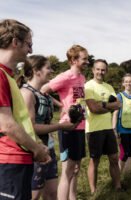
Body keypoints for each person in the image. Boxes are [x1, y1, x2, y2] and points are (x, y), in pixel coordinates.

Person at [0, 19, 50, 200]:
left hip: (18, 157)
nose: (30, 50)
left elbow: (20, 120)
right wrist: (36, 149)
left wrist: (35, 144)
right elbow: (6, 125)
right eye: (29, 44)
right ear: (15, 42)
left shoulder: (8, 75)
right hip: (9, 159)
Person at [19, 55, 78, 200]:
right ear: (36, 71)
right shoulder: (27, 94)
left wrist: (64, 108)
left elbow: (46, 112)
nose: (52, 71)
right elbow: (31, 127)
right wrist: (59, 126)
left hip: (48, 148)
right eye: (48, 68)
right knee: (33, 195)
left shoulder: (41, 93)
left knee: (52, 193)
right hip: (34, 150)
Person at [41, 45, 88, 200]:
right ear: (74, 60)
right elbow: (43, 90)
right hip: (68, 128)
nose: (87, 62)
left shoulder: (82, 78)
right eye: (84, 59)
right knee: (68, 170)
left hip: (81, 126)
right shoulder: (65, 76)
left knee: (76, 169)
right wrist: (61, 105)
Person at [84, 59, 123, 194]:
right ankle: (93, 191)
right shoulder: (88, 86)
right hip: (94, 129)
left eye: (103, 69)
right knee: (95, 160)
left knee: (113, 157)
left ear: (106, 71)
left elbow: (118, 104)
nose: (101, 72)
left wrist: (103, 105)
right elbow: (94, 109)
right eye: (98, 69)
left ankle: (118, 187)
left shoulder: (109, 87)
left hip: (108, 128)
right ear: (93, 70)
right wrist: (108, 106)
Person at [112, 73, 131, 174]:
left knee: (130, 153)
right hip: (122, 129)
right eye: (126, 81)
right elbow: (115, 114)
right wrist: (114, 129)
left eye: (130, 81)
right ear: (123, 83)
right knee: (124, 153)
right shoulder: (119, 96)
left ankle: (128, 175)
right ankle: (118, 176)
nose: (128, 83)